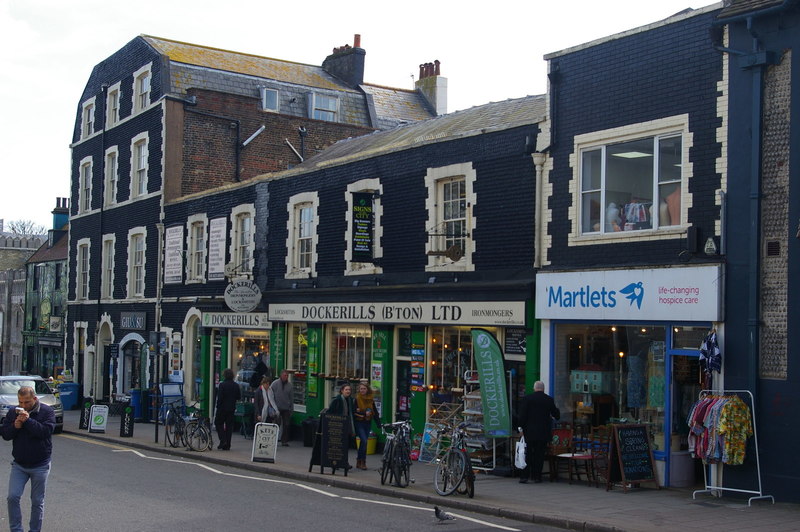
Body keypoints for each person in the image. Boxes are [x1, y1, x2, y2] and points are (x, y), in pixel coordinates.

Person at [1, 385, 56, 532]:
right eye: (20, 402)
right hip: (19, 464)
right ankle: (16, 529)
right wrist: (15, 426)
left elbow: (46, 432)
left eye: (27, 402)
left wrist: (28, 421)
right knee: (12, 497)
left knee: (37, 502)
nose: (23, 405)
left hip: (40, 465)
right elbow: (5, 434)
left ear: (35, 399)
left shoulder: (46, 411)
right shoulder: (13, 412)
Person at [518, 380, 560, 484]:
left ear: (534, 388)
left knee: (527, 454)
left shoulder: (527, 399)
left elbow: (522, 416)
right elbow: (557, 415)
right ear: (543, 389)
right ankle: (537, 476)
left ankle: (525, 476)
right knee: (539, 454)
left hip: (529, 431)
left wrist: (520, 428)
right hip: (543, 432)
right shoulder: (549, 400)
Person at [327, 382, 355, 470]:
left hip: (347, 425)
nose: (348, 391)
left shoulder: (350, 400)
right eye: (346, 390)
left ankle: (344, 462)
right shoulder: (337, 400)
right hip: (337, 425)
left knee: (345, 445)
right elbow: (330, 412)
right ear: (342, 391)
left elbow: (351, 413)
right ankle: (335, 463)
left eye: (349, 390)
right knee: (337, 445)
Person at [353, 382, 381, 470]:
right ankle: (362, 461)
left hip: (368, 422)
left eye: (364, 389)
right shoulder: (357, 399)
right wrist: (364, 413)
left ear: (367, 390)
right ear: (359, 390)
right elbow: (354, 411)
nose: (362, 390)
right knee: (364, 441)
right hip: (359, 422)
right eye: (361, 389)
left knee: (363, 442)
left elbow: (375, 412)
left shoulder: (370, 399)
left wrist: (378, 423)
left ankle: (359, 461)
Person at [214, 368, 241, 450]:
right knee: (229, 426)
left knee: (218, 423)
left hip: (222, 408)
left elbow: (220, 397)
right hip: (231, 408)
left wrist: (218, 406)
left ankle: (223, 440)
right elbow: (238, 397)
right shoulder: (236, 385)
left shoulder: (222, 385)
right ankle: (227, 444)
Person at [269, 370, 294, 446]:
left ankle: (284, 441)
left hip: (286, 408)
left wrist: (291, 409)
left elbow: (291, 398)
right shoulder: (275, 384)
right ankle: (274, 439)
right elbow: (270, 394)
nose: (286, 377)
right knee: (277, 424)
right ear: (281, 376)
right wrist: (272, 406)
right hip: (277, 407)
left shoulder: (290, 386)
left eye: (287, 376)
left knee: (286, 424)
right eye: (284, 375)